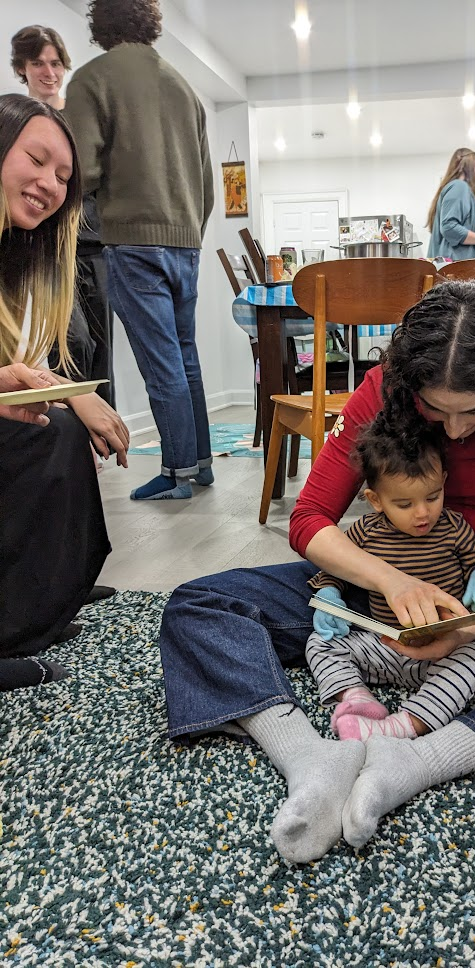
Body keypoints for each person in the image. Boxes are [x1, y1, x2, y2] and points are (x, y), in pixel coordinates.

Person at [158, 279, 475, 865]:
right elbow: (310, 519)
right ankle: (309, 757)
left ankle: (419, 759)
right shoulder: (383, 388)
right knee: (200, 603)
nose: (455, 429)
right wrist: (390, 581)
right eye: (435, 410)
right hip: (369, 592)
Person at [0, 93, 130, 691]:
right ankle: (13, 628)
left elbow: (25, 363)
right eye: (36, 158)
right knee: (44, 435)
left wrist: (75, 394)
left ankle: (51, 593)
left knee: (64, 427)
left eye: (63, 177)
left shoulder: (24, 257)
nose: (49, 183)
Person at [64, 0, 215, 501]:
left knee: (161, 364)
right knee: (185, 357)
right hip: (186, 242)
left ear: (100, 22)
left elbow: (78, 172)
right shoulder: (183, 87)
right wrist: (188, 229)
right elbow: (208, 185)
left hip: (132, 241)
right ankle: (202, 463)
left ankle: (176, 473)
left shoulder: (93, 79)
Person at [307, 414, 475, 742]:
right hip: (382, 645)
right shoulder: (365, 532)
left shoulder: (454, 527)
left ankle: (404, 726)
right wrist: (329, 597)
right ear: (376, 500)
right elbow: (333, 571)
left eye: (432, 496)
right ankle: (356, 699)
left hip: (443, 650)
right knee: (320, 643)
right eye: (403, 503)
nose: (422, 513)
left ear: (443, 481)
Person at [10, 24, 115, 407]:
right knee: (71, 339)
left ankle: (102, 430)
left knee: (101, 345)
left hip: (95, 245)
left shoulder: (81, 119)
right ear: (23, 67)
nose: (48, 72)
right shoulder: (16, 123)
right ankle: (66, 418)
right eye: (37, 62)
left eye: (55, 63)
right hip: (50, 247)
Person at [426, 148, 475, 261]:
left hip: (457, 269)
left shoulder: (456, 189)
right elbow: (449, 227)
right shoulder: (459, 187)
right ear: (471, 166)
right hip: (457, 268)